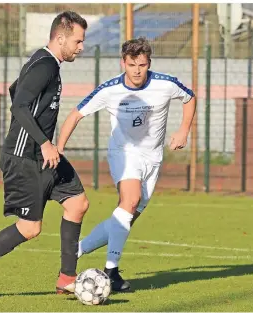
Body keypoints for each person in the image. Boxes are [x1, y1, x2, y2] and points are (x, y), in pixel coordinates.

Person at [0, 11, 90, 300]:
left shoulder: (45, 62)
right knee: (30, 228)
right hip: (25, 156)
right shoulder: (45, 66)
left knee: (77, 203)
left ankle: (67, 278)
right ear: (60, 37)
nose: (81, 47)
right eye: (78, 41)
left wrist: (45, 144)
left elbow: (16, 91)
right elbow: (19, 106)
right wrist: (43, 142)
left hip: (43, 156)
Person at [57, 36, 196, 292]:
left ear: (148, 63)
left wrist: (184, 130)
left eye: (142, 65)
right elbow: (76, 114)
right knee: (129, 202)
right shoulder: (110, 89)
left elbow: (189, 97)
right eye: (132, 65)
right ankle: (111, 272)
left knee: (126, 217)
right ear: (123, 63)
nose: (137, 71)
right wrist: (60, 147)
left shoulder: (165, 84)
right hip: (124, 153)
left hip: (153, 158)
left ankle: (75, 253)